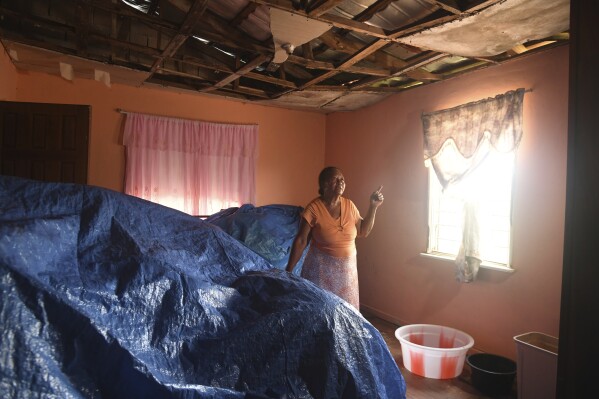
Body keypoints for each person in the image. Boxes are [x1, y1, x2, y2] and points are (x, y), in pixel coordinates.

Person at [285, 166, 384, 310]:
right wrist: (288, 270)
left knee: (345, 312)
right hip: (320, 272)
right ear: (324, 184)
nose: (341, 182)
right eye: (336, 179)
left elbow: (363, 231)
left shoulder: (350, 206)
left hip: (347, 275)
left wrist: (373, 207)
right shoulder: (313, 209)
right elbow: (301, 240)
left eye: (342, 180)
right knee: (321, 310)